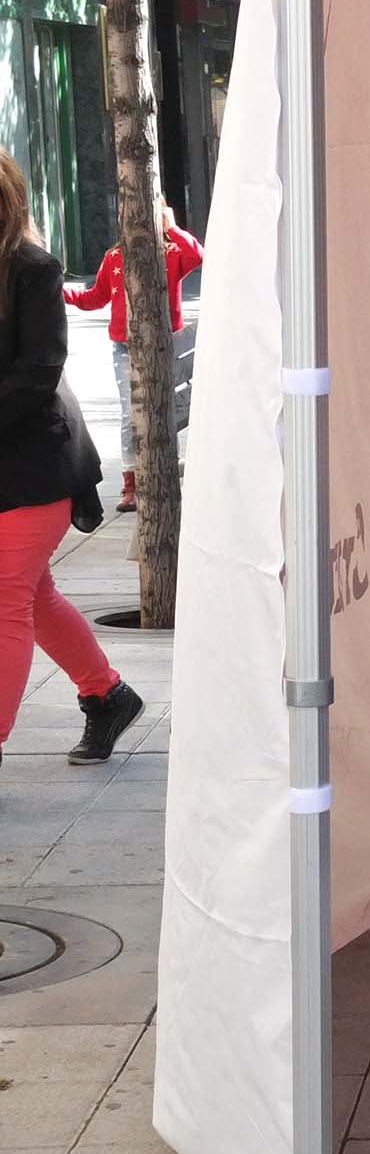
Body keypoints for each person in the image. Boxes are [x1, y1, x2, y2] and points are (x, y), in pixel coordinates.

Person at [0, 148, 145, 772]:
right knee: (33, 595)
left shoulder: (31, 266)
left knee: (6, 597)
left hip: (36, 462)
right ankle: (106, 693)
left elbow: (39, 370)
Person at [63, 202, 203, 513]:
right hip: (124, 346)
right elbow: (96, 297)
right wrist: (63, 292)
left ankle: (164, 472)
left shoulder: (171, 252)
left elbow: (197, 256)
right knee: (131, 414)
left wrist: (172, 228)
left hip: (165, 343)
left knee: (164, 408)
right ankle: (131, 484)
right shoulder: (114, 257)